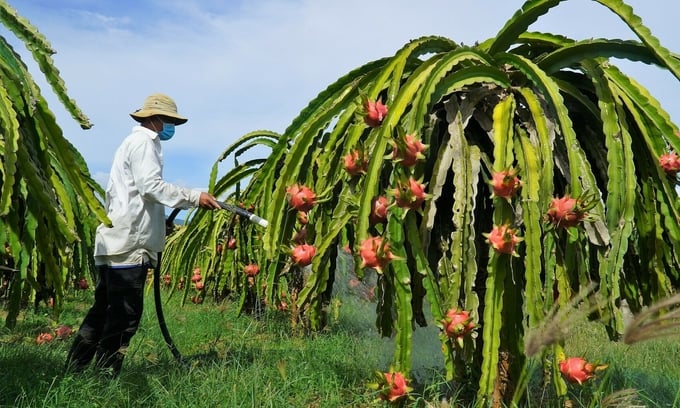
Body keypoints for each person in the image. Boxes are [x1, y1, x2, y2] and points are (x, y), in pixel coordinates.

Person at [66, 93, 221, 376]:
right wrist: (193, 196)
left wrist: (160, 223)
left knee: (103, 311)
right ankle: (104, 376)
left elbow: (137, 197)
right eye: (168, 121)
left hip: (116, 240)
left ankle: (74, 370)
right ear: (154, 119)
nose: (170, 127)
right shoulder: (144, 143)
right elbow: (151, 187)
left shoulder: (132, 143)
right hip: (129, 243)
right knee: (124, 315)